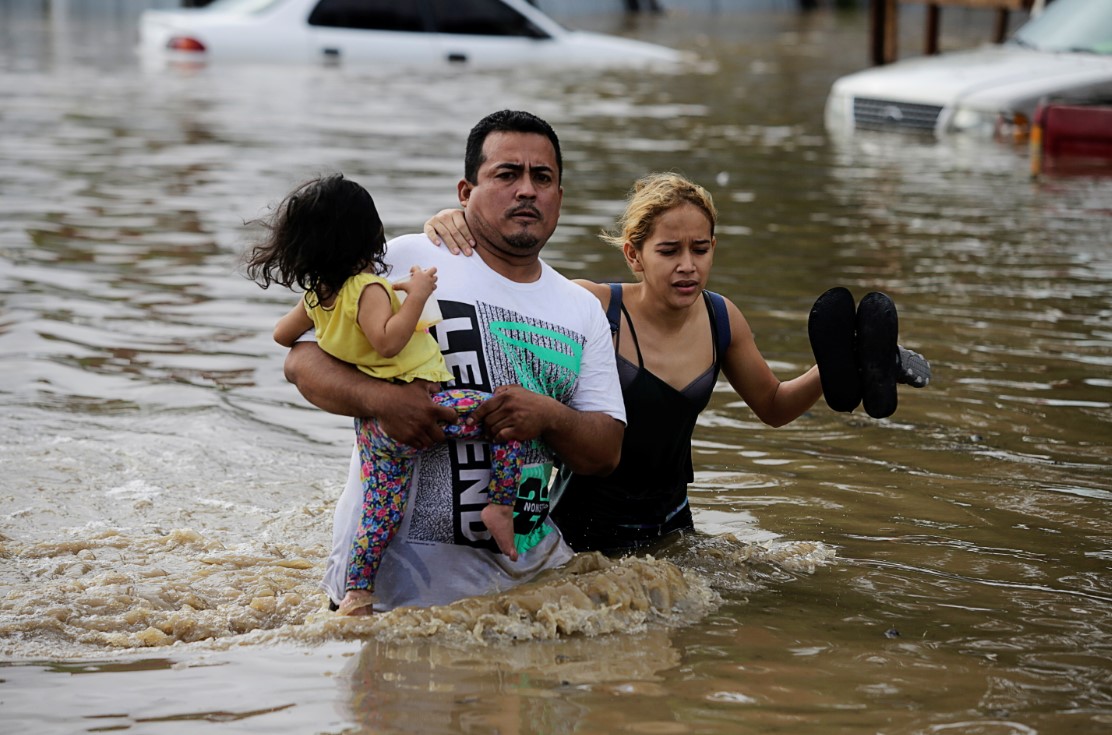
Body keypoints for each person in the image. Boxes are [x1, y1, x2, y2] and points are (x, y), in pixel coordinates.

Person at [425, 172, 930, 554]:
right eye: (669, 251)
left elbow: (774, 406)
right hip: (579, 529)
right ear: (634, 255)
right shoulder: (591, 305)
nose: (688, 265)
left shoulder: (720, 318)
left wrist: (837, 364)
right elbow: (509, 291)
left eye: (701, 249)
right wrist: (454, 224)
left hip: (671, 529)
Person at [281, 111, 626, 612]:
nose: (527, 190)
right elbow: (300, 362)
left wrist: (547, 415)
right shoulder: (404, 259)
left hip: (525, 594)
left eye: (543, 178)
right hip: (390, 596)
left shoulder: (581, 309)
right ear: (466, 192)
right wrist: (383, 400)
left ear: (559, 198)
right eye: (507, 174)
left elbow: (605, 452)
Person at [245, 174, 527, 616]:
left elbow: (283, 335)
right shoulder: (367, 288)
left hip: (373, 427)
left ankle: (357, 592)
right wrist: (417, 294)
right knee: (509, 418)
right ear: (368, 234)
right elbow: (388, 341)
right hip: (423, 405)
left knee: (380, 512)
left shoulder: (318, 296)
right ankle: (501, 509)